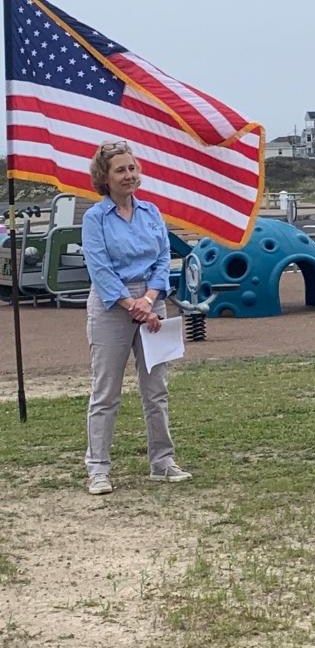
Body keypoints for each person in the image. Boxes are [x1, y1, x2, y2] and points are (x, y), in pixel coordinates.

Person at [82, 140, 192, 495]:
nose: (129, 176)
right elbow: (100, 268)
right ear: (105, 177)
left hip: (152, 302)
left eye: (132, 168)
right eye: (120, 170)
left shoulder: (151, 212)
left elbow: (163, 258)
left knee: (156, 390)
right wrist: (132, 305)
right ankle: (98, 468)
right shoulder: (94, 218)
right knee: (106, 392)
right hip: (112, 307)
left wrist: (149, 298)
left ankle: (162, 461)